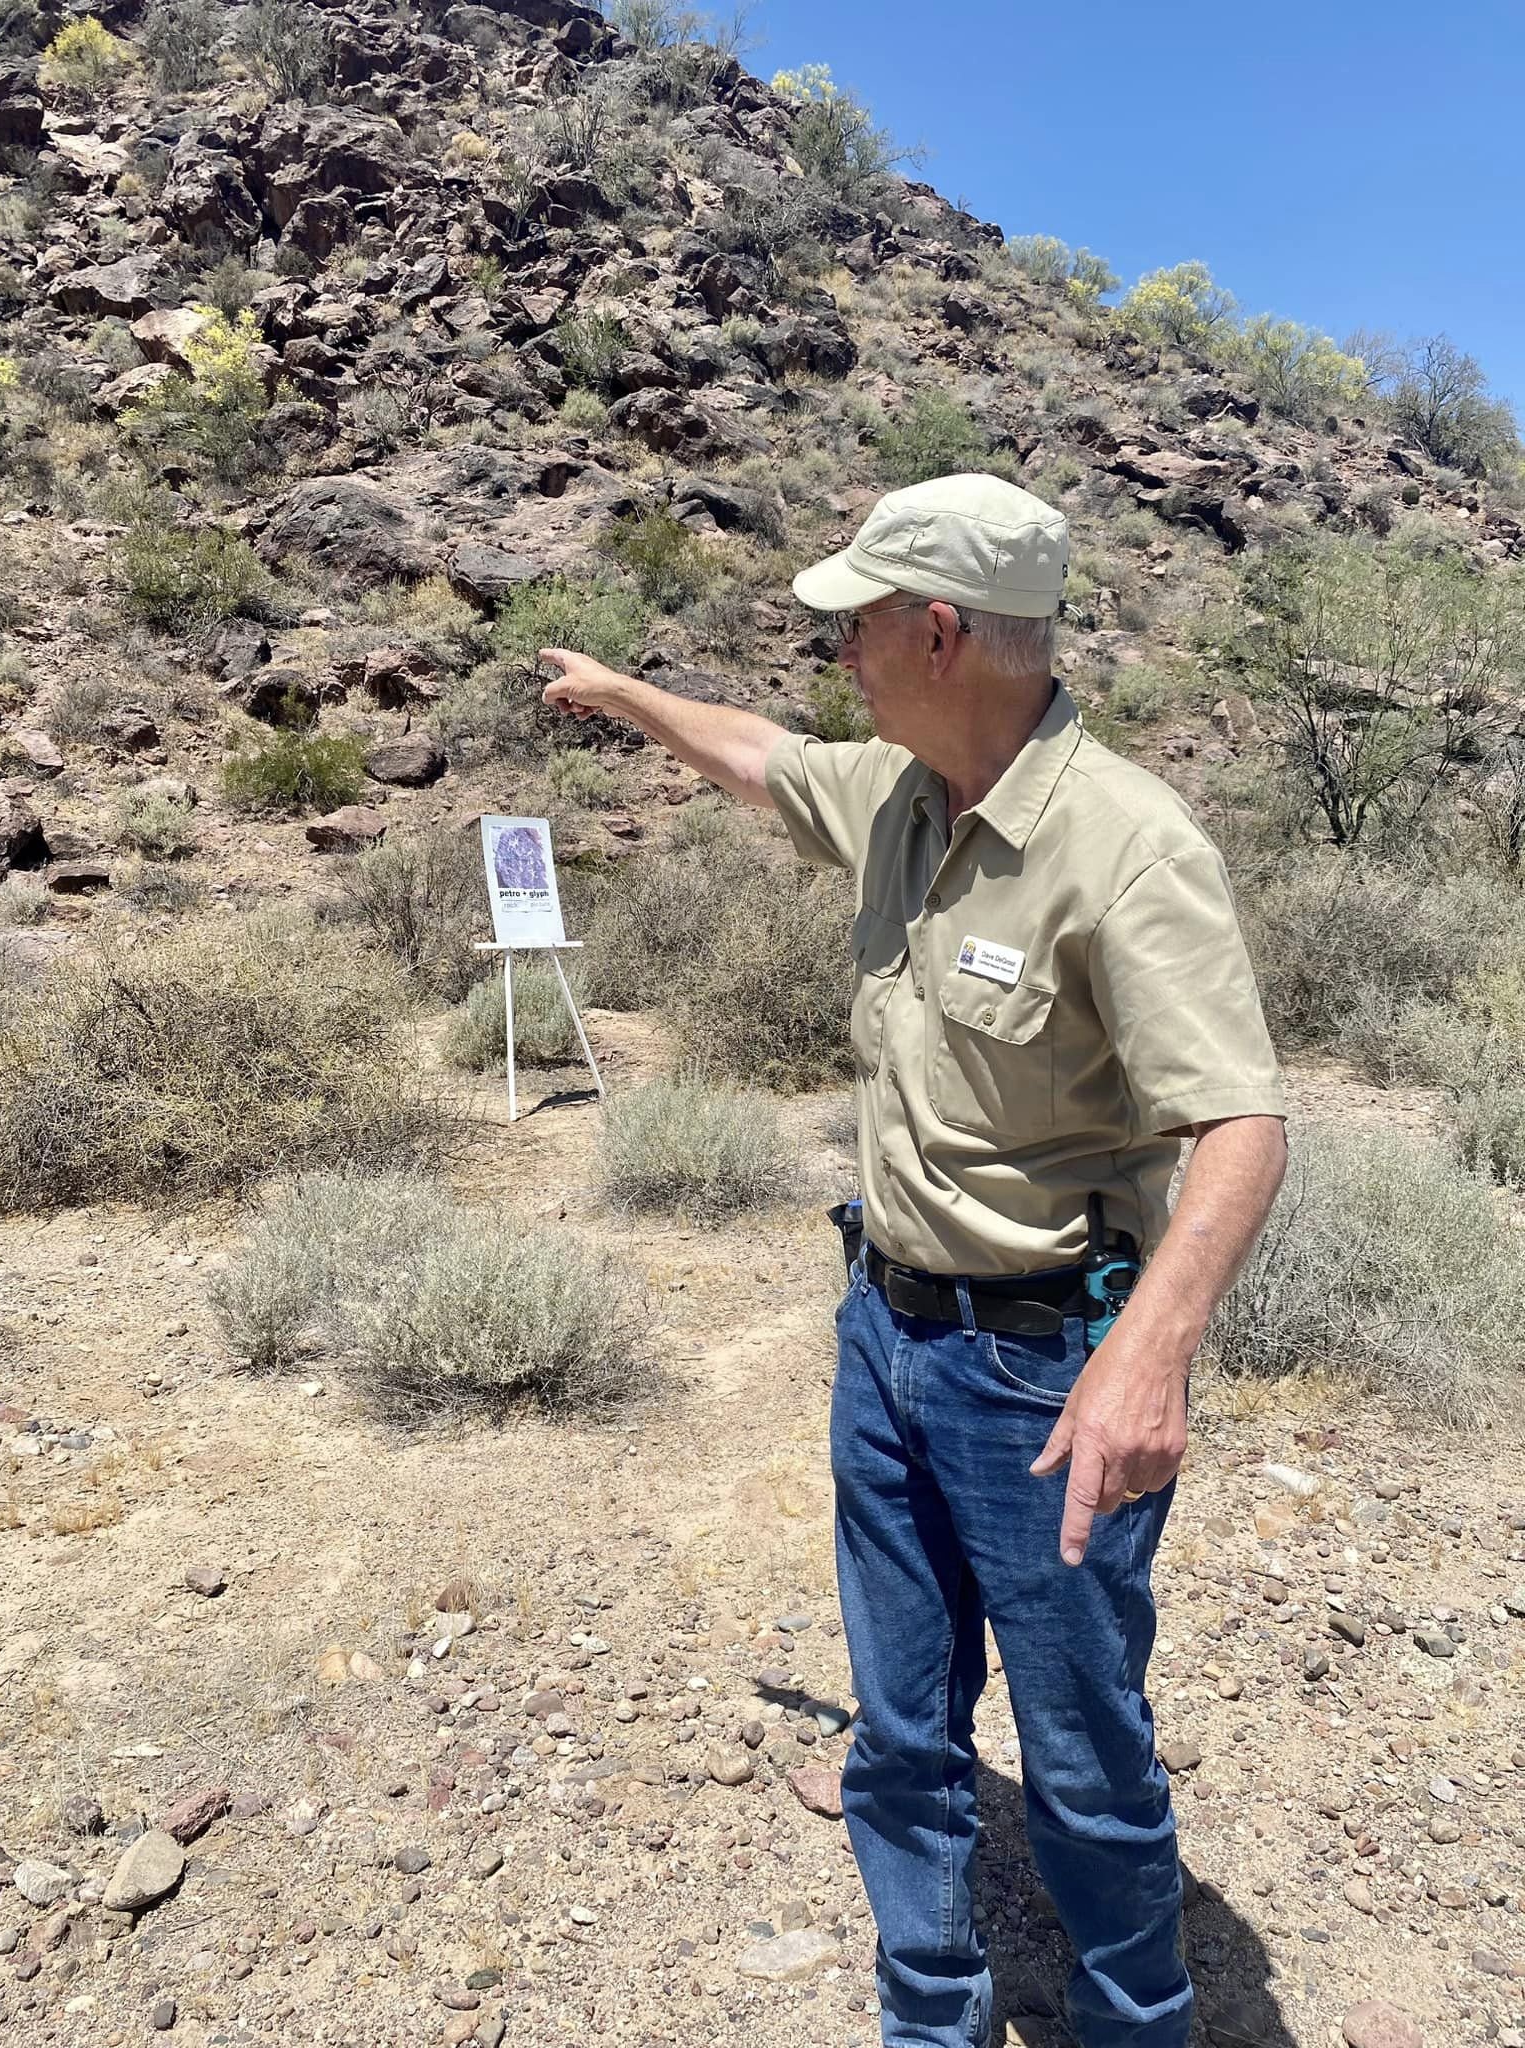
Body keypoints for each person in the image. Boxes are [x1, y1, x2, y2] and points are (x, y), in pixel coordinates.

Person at [540, 472, 1288, 2048]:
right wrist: (619, 694)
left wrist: (1148, 1355)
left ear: (940, 633)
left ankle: (1138, 2025)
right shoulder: (899, 793)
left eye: (859, 626)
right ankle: (929, 2018)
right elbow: (759, 755)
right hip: (884, 1334)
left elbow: (1239, 1126)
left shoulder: (1128, 848)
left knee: (1082, 1756)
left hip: (1044, 1377)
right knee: (898, 1726)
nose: (840, 656)